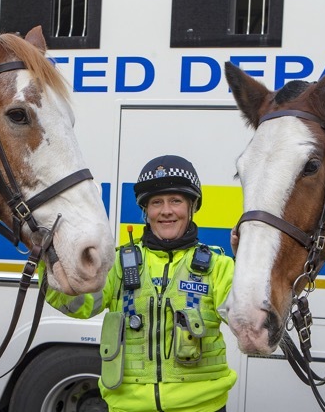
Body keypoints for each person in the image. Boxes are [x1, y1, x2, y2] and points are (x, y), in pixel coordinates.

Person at [39, 155, 236, 412]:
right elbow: (78, 305)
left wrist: (251, 261)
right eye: (156, 202)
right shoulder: (117, 264)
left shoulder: (219, 266)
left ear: (192, 207)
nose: (166, 211)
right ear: (146, 211)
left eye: (176, 201)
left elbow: (248, 319)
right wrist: (48, 259)